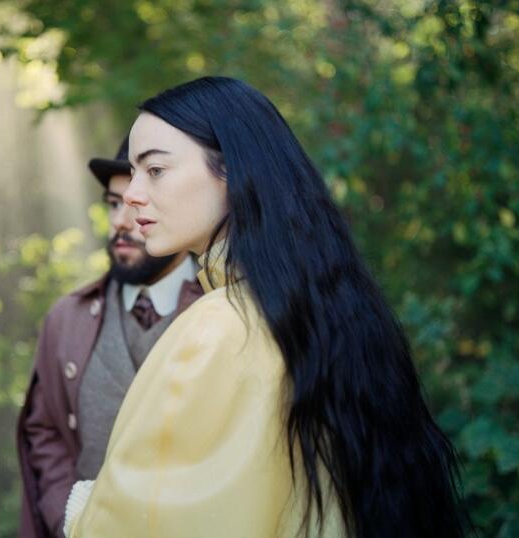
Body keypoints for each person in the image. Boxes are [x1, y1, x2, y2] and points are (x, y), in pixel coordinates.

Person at [65, 77, 467, 538]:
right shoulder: (315, 308)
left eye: (154, 170)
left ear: (232, 171)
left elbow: (148, 523)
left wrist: (80, 510)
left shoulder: (219, 327)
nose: (132, 194)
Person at [16, 138, 203, 538]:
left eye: (136, 204)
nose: (120, 221)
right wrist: (66, 515)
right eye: (114, 203)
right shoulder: (66, 319)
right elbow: (44, 430)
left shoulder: (227, 313)